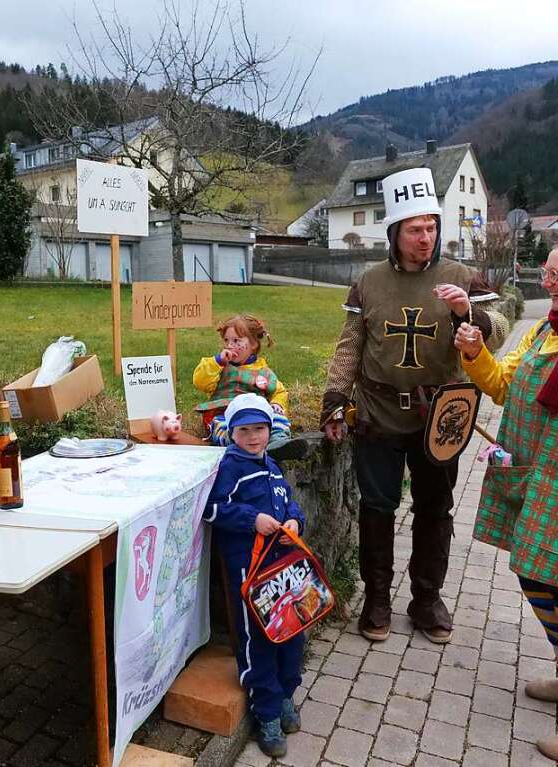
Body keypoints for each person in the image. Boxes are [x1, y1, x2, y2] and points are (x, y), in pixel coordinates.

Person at [321, 167, 508, 644]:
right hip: (379, 413)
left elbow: (504, 324)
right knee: (378, 507)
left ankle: (426, 599)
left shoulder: (461, 277)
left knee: (435, 507)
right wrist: (335, 397)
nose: (425, 237)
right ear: (394, 233)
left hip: (441, 416)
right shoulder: (369, 282)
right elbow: (350, 346)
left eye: (430, 227)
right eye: (415, 229)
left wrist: (473, 319)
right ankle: (378, 597)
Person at [455, 248, 558, 760]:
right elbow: (500, 387)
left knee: (548, 577)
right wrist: (475, 353)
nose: (548, 278)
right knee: (536, 575)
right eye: (548, 271)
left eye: (556, 273)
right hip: (541, 475)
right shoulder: (544, 332)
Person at [203, 393, 306, 759]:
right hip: (250, 573)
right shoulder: (230, 467)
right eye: (244, 430)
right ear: (232, 433)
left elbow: (288, 499)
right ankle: (265, 712)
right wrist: (252, 520)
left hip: (283, 573)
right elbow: (212, 509)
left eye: (260, 429)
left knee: (291, 631)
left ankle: (284, 694)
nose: (253, 437)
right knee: (258, 641)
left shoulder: (272, 464)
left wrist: (295, 519)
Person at [193, 314, 305, 459]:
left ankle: (278, 444)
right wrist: (217, 361)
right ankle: (233, 443)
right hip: (225, 413)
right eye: (226, 340)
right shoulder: (219, 367)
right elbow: (200, 382)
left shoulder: (263, 371)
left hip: (256, 414)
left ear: (253, 344)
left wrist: (277, 403)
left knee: (277, 419)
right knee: (220, 426)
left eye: (236, 341)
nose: (230, 345)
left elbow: (278, 391)